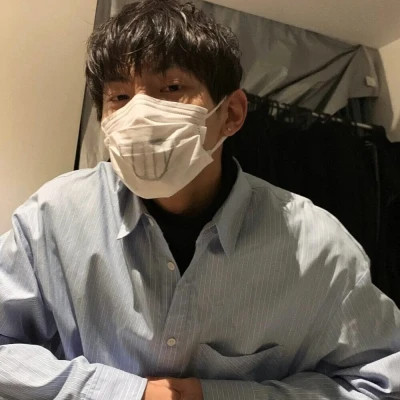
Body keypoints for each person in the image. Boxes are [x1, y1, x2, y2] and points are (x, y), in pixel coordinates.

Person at [0, 0, 399, 399]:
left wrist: (219, 395)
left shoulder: (318, 248)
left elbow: (382, 381)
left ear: (231, 114)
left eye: (172, 88)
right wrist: (123, 393)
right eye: (119, 96)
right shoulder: (53, 217)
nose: (140, 115)